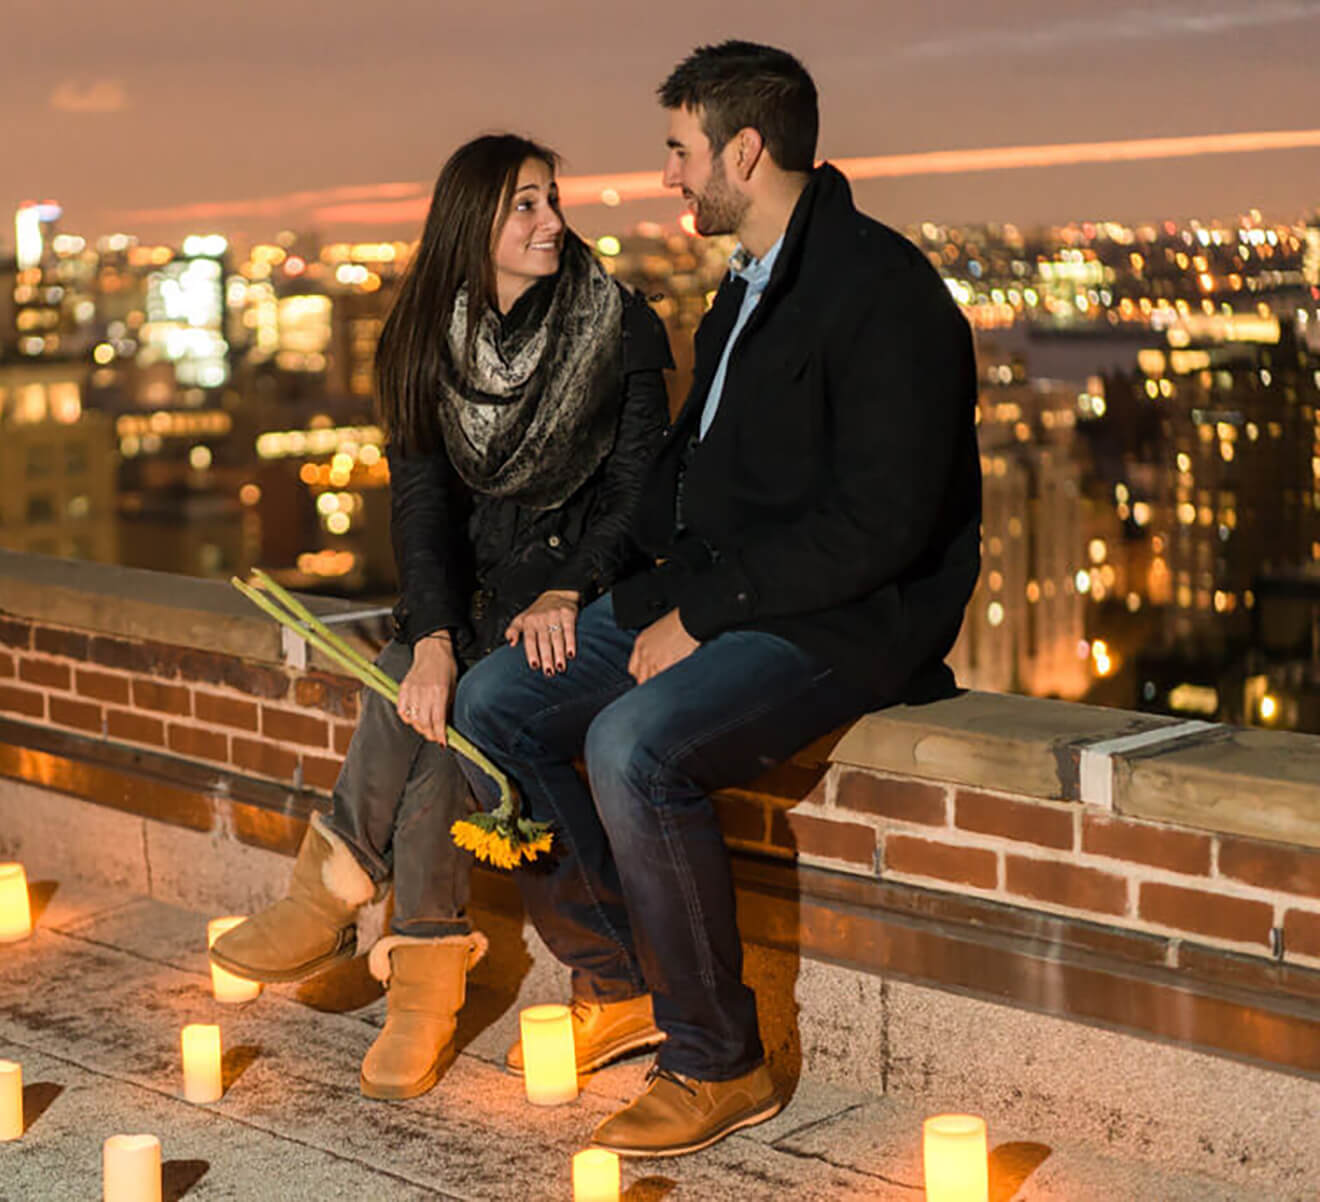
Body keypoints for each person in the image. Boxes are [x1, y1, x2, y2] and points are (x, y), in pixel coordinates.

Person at [454, 42, 981, 1157]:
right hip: (721, 594)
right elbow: (682, 483)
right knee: (497, 698)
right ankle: (623, 976)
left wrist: (701, 616)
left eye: (680, 151)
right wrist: (581, 585)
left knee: (635, 742)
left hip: (847, 620)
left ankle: (717, 1057)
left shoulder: (882, 291)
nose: (668, 177)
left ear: (746, 148)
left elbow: (883, 528)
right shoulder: (745, 284)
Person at [211, 133, 673, 1101]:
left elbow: (641, 492)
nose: (554, 222)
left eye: (553, 200)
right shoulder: (423, 338)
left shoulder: (618, 323)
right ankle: (416, 969)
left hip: (590, 590)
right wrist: (429, 636)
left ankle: (338, 892)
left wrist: (566, 587)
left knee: (448, 708)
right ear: (475, 225)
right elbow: (420, 505)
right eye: (527, 206)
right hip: (478, 601)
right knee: (419, 686)